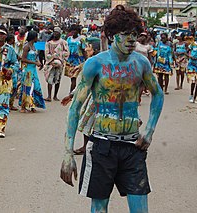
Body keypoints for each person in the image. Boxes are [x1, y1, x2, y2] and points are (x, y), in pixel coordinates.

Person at [60, 5, 164, 213]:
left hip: (133, 147)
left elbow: (158, 94)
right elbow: (75, 108)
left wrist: (149, 131)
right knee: (99, 207)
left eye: (135, 34)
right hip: (101, 146)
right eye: (125, 34)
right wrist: (67, 153)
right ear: (111, 35)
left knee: (140, 208)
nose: (131, 40)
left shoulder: (141, 63)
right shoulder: (95, 64)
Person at [19, 31, 45, 113]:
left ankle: (32, 104)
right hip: (28, 70)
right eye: (36, 37)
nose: (37, 38)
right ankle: (23, 106)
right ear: (34, 37)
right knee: (27, 87)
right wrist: (35, 63)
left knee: (35, 86)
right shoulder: (26, 46)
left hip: (33, 69)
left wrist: (39, 62)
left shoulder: (34, 46)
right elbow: (23, 59)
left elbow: (36, 57)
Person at [43, 27, 69, 102]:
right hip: (50, 63)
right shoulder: (48, 43)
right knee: (50, 79)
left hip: (59, 63)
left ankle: (55, 96)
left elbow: (66, 52)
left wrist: (60, 57)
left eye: (57, 33)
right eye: (54, 32)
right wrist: (51, 59)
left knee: (58, 79)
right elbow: (46, 53)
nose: (55, 34)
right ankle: (49, 96)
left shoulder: (63, 42)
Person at [65, 24, 86, 92]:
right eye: (72, 30)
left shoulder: (81, 39)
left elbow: (83, 50)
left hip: (78, 60)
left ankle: (71, 93)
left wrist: (86, 60)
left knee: (74, 77)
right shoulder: (68, 39)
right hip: (70, 60)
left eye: (75, 30)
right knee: (71, 77)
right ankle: (72, 92)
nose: (74, 32)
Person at [187, 36, 197, 103]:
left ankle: (195, 97)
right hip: (192, 65)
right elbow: (187, 51)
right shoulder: (193, 44)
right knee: (193, 81)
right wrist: (190, 56)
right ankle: (191, 94)